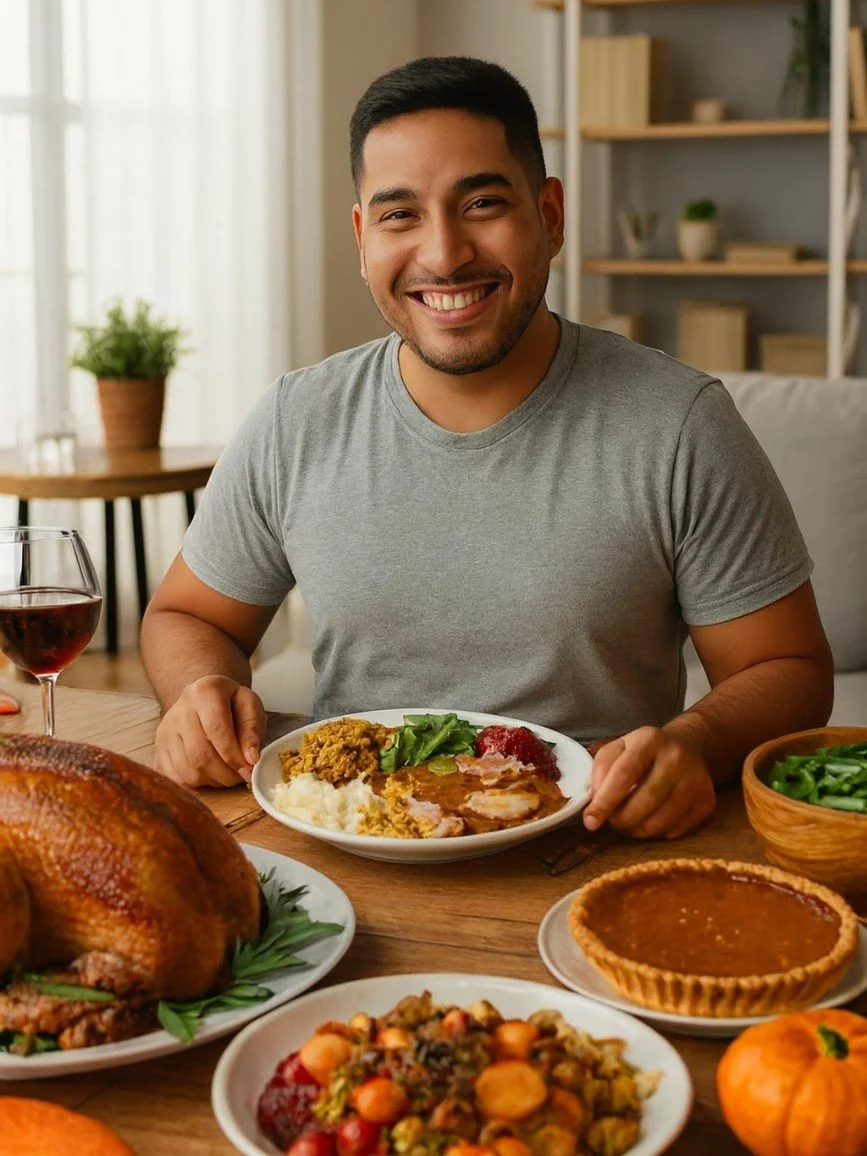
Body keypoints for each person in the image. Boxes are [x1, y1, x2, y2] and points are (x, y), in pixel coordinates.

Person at [141, 56, 833, 840]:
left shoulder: (678, 424)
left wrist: (695, 744)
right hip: (343, 844)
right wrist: (198, 688)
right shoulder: (295, 418)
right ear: (363, 236)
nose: (443, 255)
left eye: (481, 203)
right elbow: (187, 616)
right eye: (400, 215)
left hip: (588, 850)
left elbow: (788, 670)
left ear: (550, 215)